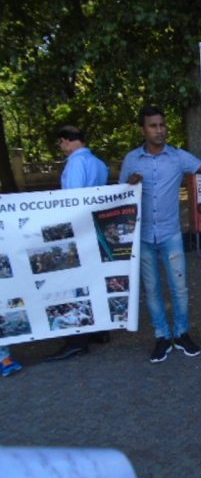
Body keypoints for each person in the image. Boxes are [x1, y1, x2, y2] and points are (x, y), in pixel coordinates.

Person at [119, 106, 201, 363]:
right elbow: (119, 197)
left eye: (162, 125)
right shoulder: (131, 160)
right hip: (142, 236)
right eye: (153, 126)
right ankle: (162, 336)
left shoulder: (178, 158)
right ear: (143, 129)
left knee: (179, 288)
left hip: (171, 234)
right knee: (152, 289)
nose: (159, 130)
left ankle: (181, 333)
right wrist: (128, 185)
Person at [44, 125, 110, 363]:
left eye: (61, 144)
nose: (62, 148)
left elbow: (70, 200)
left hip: (78, 230)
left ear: (67, 141)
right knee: (94, 279)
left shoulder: (74, 164)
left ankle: (76, 340)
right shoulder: (99, 163)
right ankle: (99, 329)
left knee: (74, 284)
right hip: (96, 228)